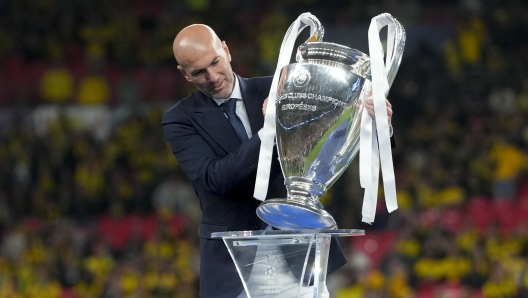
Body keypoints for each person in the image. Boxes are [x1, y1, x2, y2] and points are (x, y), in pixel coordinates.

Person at [162, 24, 393, 298]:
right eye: (199, 72)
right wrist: (268, 131)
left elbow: (335, 142)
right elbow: (215, 178)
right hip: (234, 266)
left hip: (298, 251)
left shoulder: (284, 87)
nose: (212, 77)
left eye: (215, 62)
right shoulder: (180, 118)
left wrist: (373, 123)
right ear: (184, 74)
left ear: (226, 50)